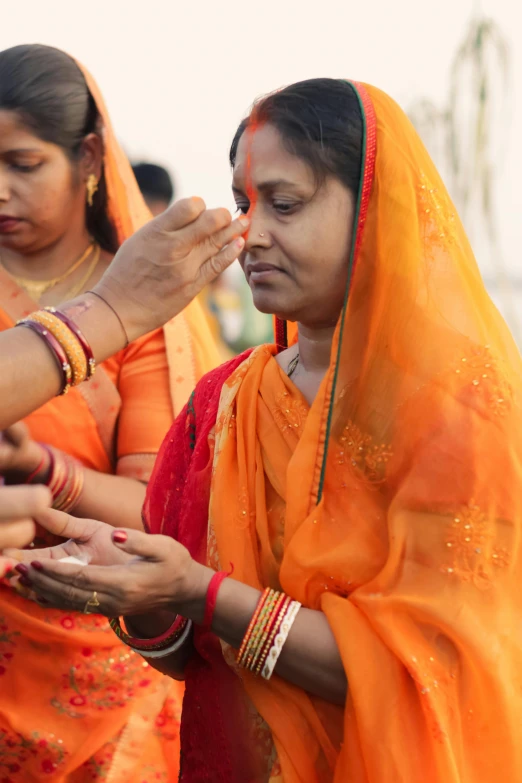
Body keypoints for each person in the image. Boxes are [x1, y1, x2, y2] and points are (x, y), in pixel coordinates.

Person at [8, 78, 522, 783]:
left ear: (373, 209)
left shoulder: (459, 410)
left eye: (285, 204)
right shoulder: (225, 402)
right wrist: (131, 585)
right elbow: (187, 653)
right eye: (245, 204)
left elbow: (423, 672)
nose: (251, 232)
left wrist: (199, 591)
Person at [0, 43, 245, 782]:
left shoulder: (142, 303)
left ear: (88, 157)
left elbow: (155, 511)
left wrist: (49, 472)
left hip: (104, 665)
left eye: (22, 163)